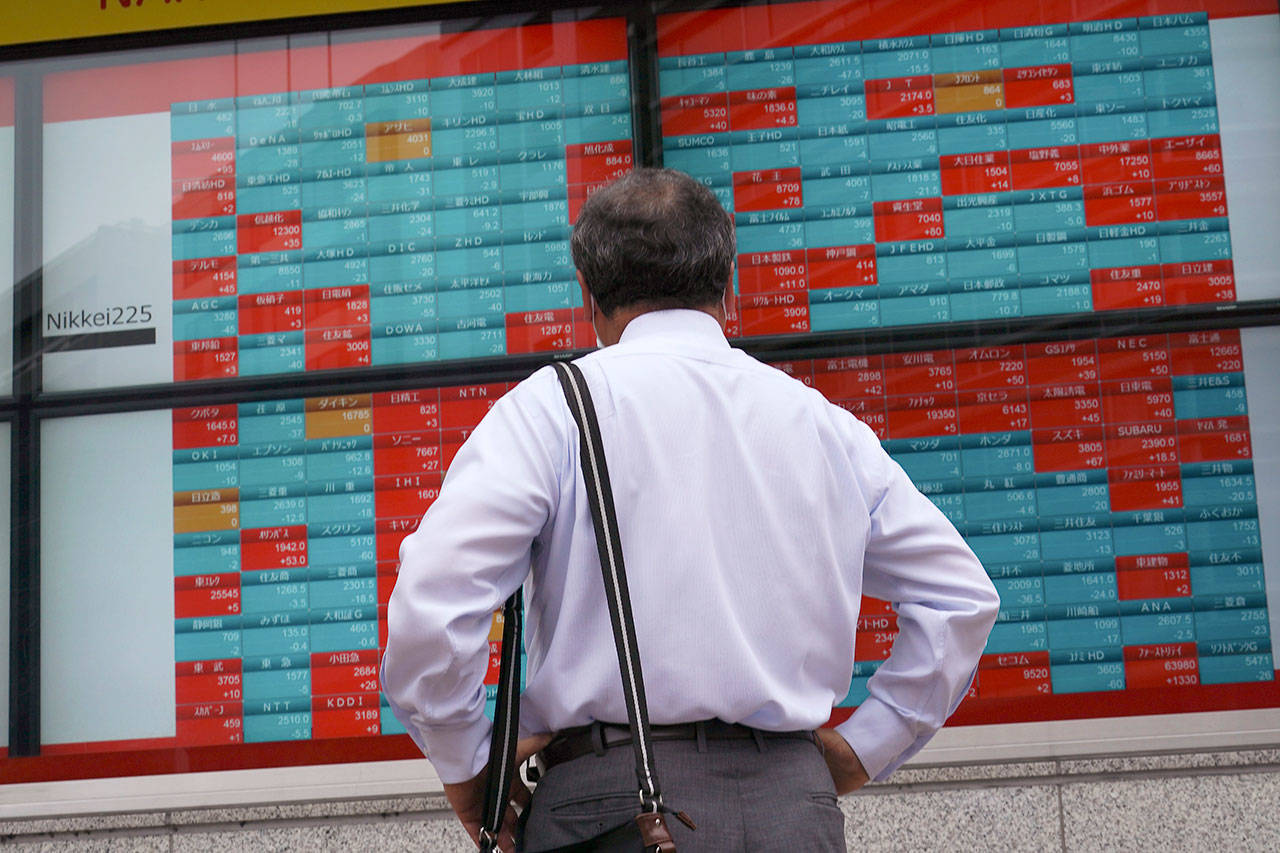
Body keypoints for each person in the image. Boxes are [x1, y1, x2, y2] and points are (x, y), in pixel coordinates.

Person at [380, 168, 1000, 851]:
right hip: (792, 808)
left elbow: (434, 603)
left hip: (609, 808)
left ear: (589, 294)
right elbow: (959, 597)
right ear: (727, 289)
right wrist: (865, 744)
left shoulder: (550, 410)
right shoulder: (822, 425)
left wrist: (468, 765)